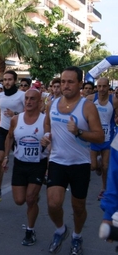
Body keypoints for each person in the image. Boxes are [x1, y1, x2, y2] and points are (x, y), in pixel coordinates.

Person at [42, 66, 104, 254]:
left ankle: (77, 236)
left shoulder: (87, 106)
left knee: (78, 207)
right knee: (53, 203)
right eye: (63, 81)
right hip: (57, 161)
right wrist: (46, 136)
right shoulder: (52, 103)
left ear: (79, 84)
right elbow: (47, 123)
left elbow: (99, 136)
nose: (65, 85)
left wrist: (78, 131)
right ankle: (61, 230)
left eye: (70, 82)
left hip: (80, 163)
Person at [2, 89, 49, 246]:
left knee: (29, 199)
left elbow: (53, 141)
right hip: (20, 164)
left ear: (39, 102)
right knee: (19, 200)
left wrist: (48, 151)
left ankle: (30, 230)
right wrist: (6, 157)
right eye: (26, 98)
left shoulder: (45, 121)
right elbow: (9, 137)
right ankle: (33, 199)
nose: (28, 102)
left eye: (32, 99)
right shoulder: (16, 119)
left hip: (38, 164)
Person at [0, 70, 25, 202]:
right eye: (5, 80)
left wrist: (15, 113)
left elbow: (30, 111)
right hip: (4, 130)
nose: (7, 82)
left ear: (15, 81)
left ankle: (27, 187)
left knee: (21, 160)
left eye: (10, 79)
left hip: (19, 130)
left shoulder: (22, 95)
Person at [86, 77, 118, 201]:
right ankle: (97, 163)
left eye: (104, 86)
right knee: (93, 166)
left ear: (108, 86)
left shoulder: (114, 100)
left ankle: (103, 189)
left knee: (106, 166)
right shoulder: (90, 99)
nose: (101, 89)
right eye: (99, 86)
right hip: (94, 137)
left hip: (108, 138)